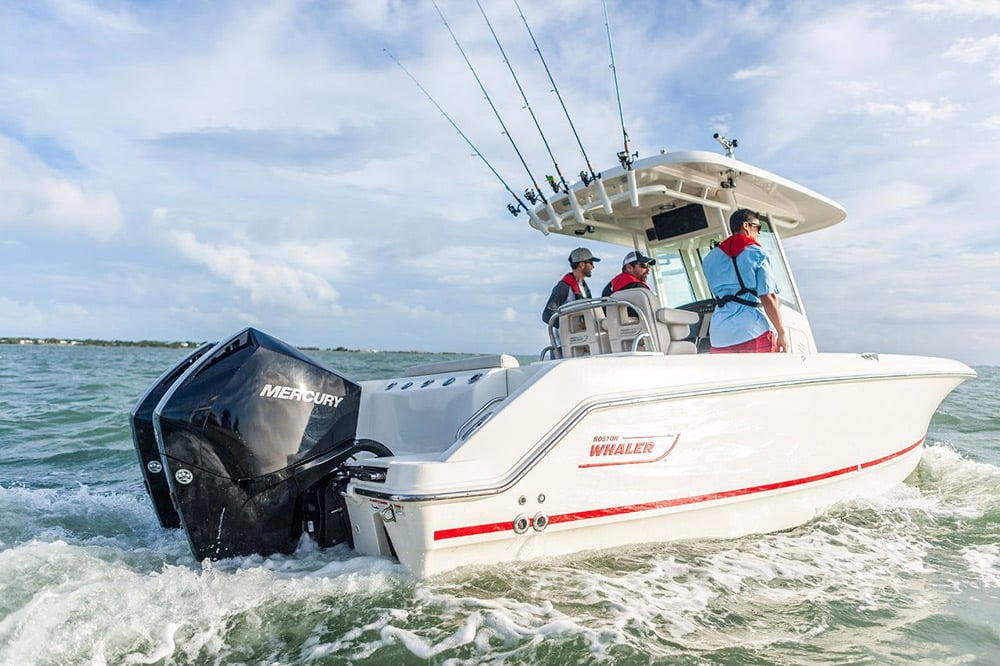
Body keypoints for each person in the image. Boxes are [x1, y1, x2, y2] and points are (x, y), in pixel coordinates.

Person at [702, 208, 787, 353]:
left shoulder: (709, 259)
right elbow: (768, 296)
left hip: (719, 335)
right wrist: (782, 333)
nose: (759, 233)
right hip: (752, 330)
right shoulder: (757, 253)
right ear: (745, 226)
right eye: (757, 227)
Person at [541, 247, 600, 327]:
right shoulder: (563, 287)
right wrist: (571, 326)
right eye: (591, 263)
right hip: (566, 338)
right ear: (582, 265)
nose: (593, 267)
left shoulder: (583, 287)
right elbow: (547, 315)